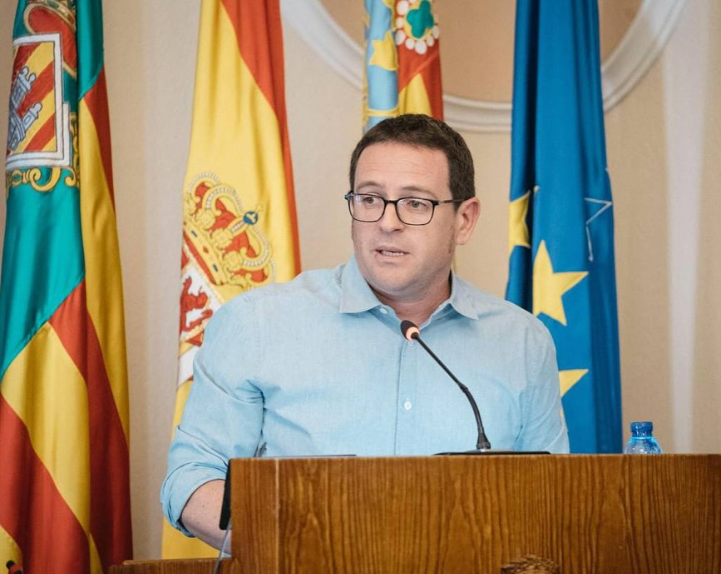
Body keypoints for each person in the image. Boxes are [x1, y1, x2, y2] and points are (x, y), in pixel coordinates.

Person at [161, 114, 569, 550]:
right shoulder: (256, 323)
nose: (387, 222)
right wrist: (304, 549)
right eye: (370, 199)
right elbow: (191, 481)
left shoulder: (522, 342)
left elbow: (550, 498)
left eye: (416, 203)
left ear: (464, 220)